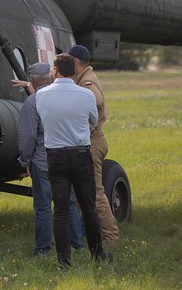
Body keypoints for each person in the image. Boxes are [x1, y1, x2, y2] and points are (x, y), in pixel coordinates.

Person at [35, 53, 112, 266]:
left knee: (60, 210)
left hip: (55, 156)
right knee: (89, 207)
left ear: (55, 71)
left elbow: (43, 116)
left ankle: (64, 260)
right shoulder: (85, 95)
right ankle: (98, 254)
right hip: (80, 154)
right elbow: (93, 120)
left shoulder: (42, 95)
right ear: (74, 70)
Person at [14, 62, 85, 256]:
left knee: (43, 207)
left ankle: (43, 249)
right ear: (50, 76)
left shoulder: (32, 102)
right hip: (69, 157)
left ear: (32, 81)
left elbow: (28, 136)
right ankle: (77, 244)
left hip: (43, 161)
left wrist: (25, 160)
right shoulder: (67, 97)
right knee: (68, 203)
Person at [68, 44, 119, 250]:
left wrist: (88, 121)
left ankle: (110, 237)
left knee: (96, 193)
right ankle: (75, 237)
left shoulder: (87, 82)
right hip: (92, 141)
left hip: (93, 142)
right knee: (80, 195)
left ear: (76, 63)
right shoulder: (84, 78)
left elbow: (95, 100)